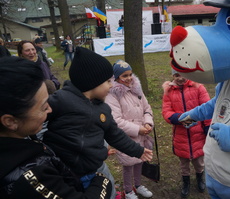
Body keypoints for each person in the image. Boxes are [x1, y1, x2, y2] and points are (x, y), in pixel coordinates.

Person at [42, 47, 153, 199]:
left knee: (109, 191)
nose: (112, 85)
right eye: (108, 81)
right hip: (64, 171)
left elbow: (115, 135)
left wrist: (137, 150)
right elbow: (36, 118)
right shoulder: (62, 100)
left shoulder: (103, 109)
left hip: (94, 169)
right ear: (92, 82)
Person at [0, 56, 112, 199]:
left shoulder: (23, 138)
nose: (50, 110)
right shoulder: (29, 178)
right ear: (10, 121)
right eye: (43, 107)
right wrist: (101, 179)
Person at [105, 60, 154, 199]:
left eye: (130, 74)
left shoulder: (136, 89)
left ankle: (137, 185)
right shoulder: (112, 94)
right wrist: (138, 129)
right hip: (127, 137)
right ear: (116, 77)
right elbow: (116, 120)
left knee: (140, 160)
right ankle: (128, 190)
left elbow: (147, 108)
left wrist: (148, 123)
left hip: (142, 133)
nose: (129, 78)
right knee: (128, 164)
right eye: (124, 76)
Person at [162, 69, 211, 198]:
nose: (180, 78)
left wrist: (207, 127)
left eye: (183, 74)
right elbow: (166, 111)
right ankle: (186, 182)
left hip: (198, 133)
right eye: (176, 75)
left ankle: (200, 178)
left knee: (199, 160)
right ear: (173, 76)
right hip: (180, 134)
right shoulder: (169, 91)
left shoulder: (198, 87)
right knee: (183, 162)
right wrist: (178, 118)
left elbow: (207, 108)